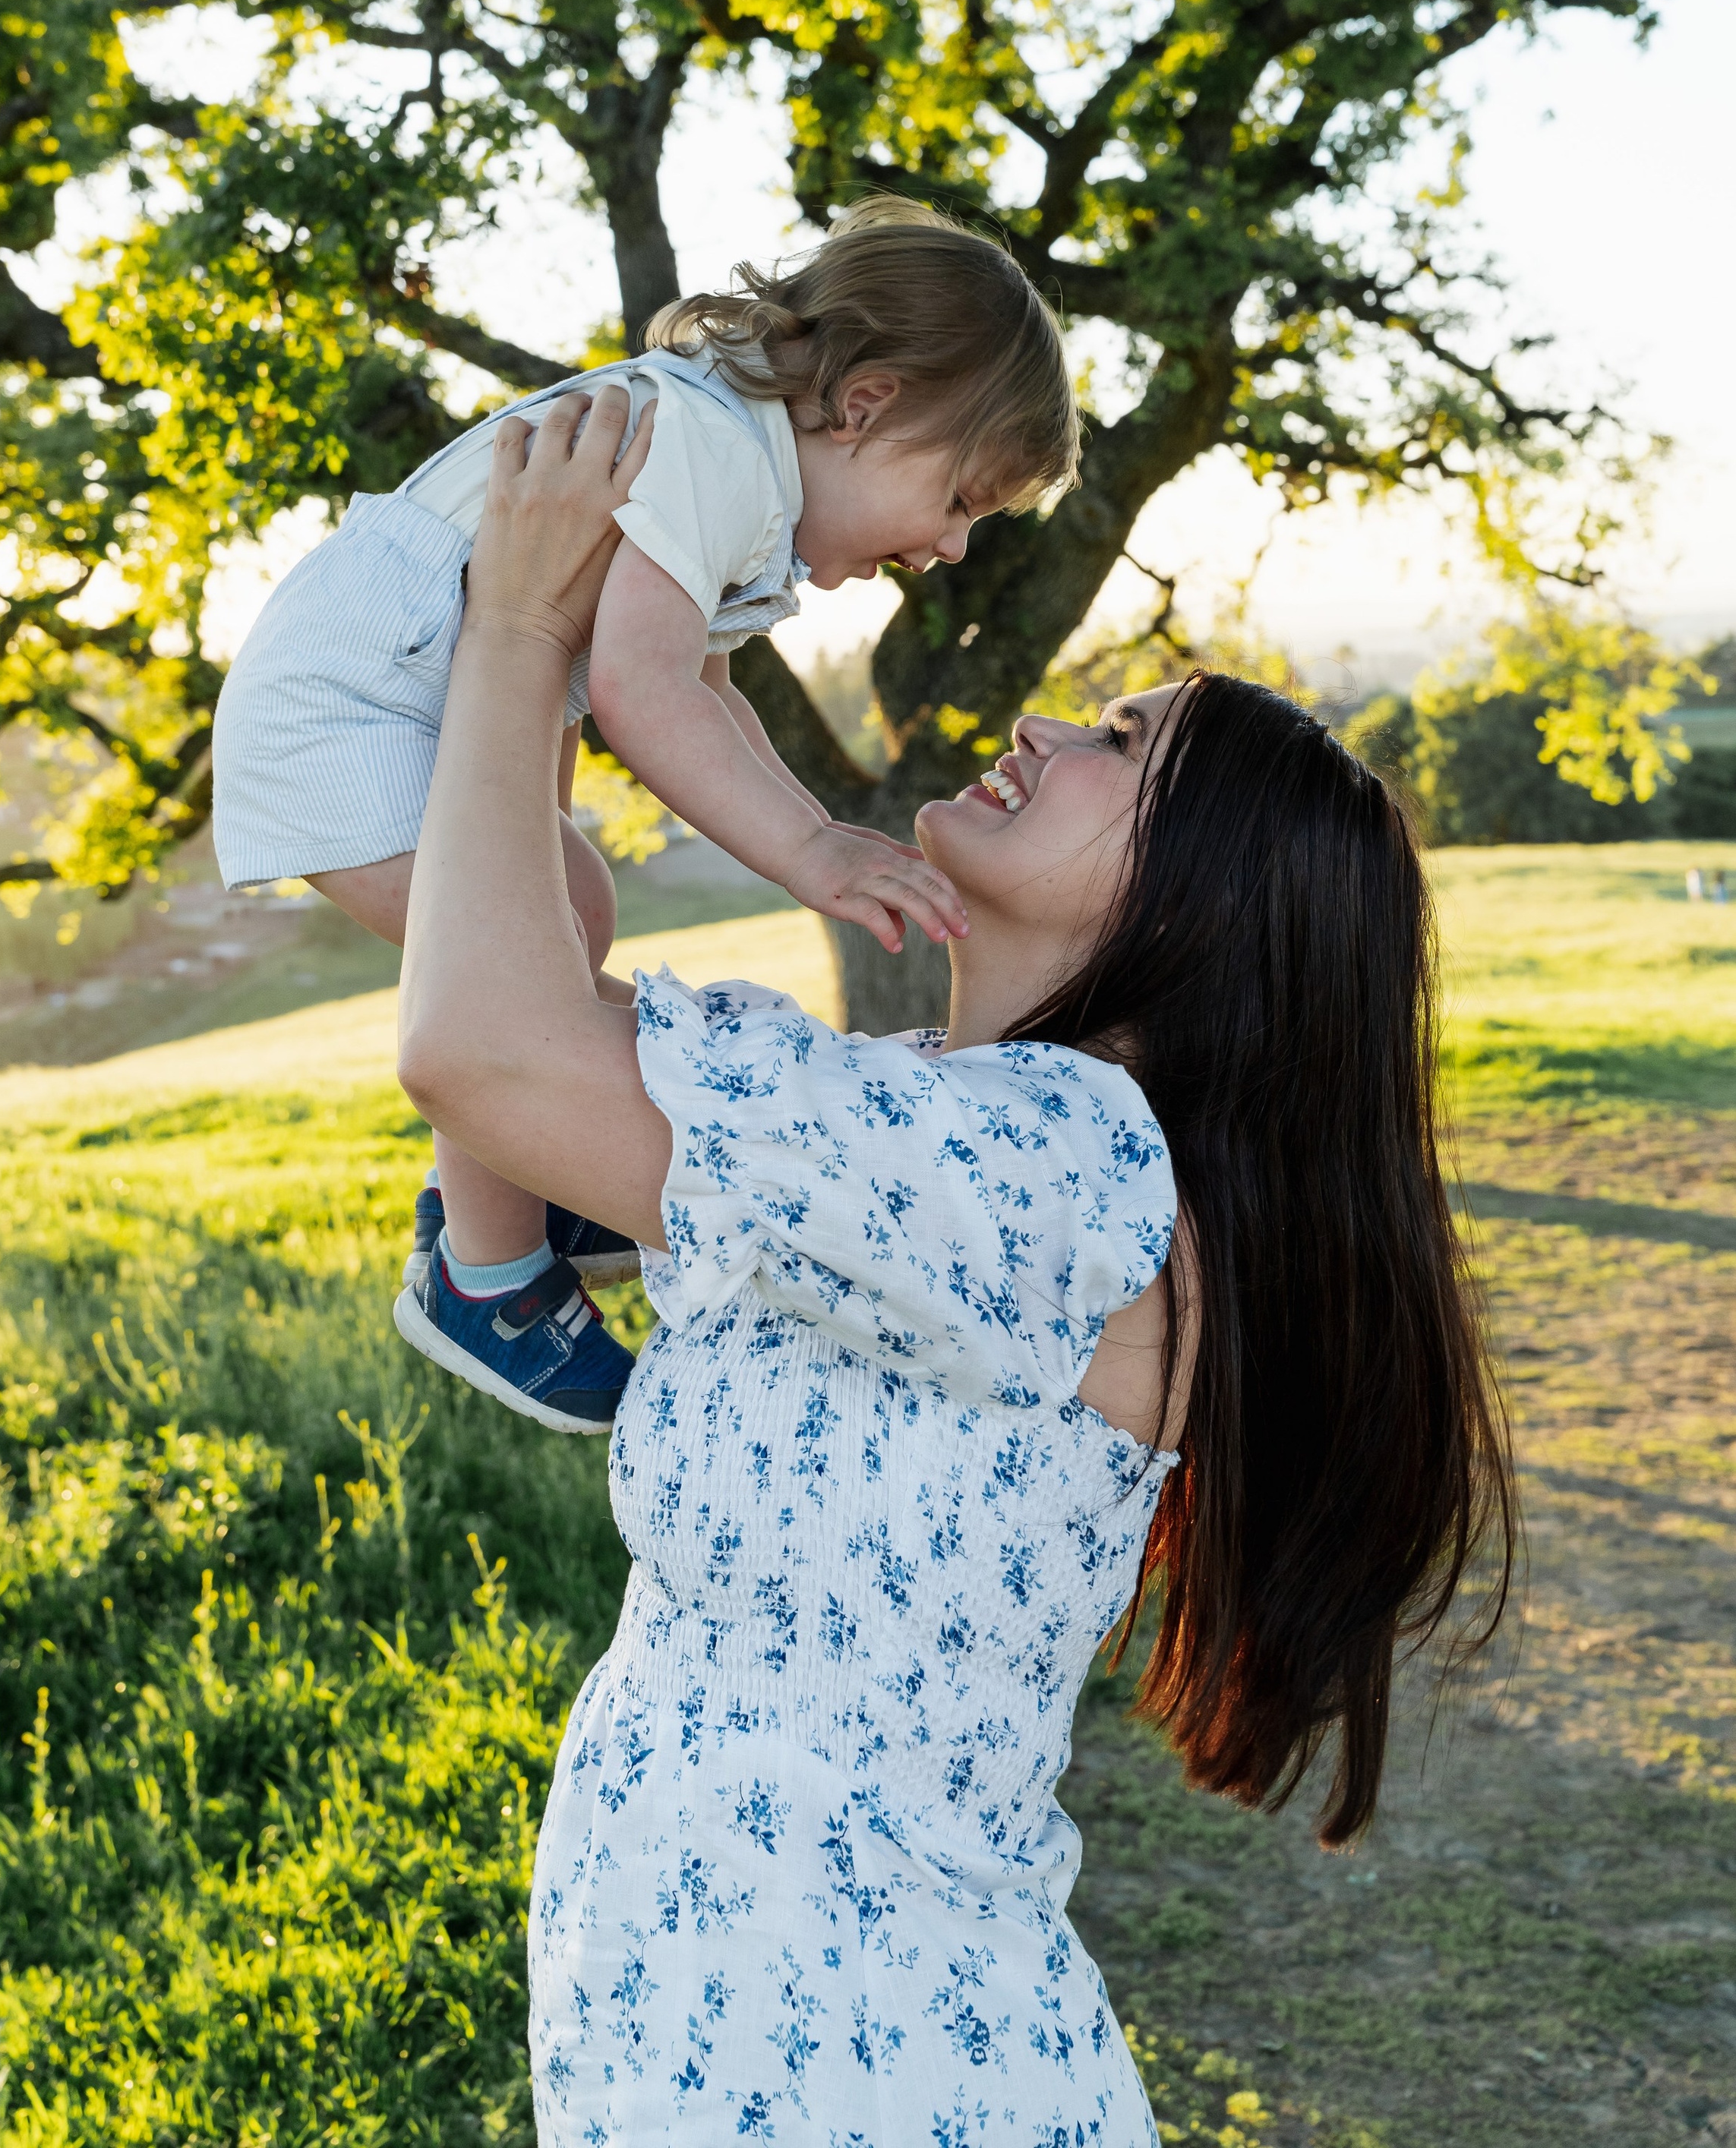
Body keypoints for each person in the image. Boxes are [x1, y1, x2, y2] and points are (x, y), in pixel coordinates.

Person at [396, 388, 1516, 2148]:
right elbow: (525, 1036)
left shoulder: (1055, 1173)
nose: (1047, 723)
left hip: (852, 2070)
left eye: (1121, 748)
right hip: (753, 2047)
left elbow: (481, 1045)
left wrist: (530, 629)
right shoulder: (946, 1134)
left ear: (1202, 900)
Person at [210, 200, 1079, 1433]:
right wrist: (808, 852)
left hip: (398, 699)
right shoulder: (711, 451)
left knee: (575, 913)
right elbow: (640, 692)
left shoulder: (733, 470)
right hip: (346, 714)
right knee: (532, 947)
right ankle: (486, 1275)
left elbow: (705, 692)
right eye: (960, 499)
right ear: (870, 403)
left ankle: (525, 1175)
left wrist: (816, 835)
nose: (950, 546)